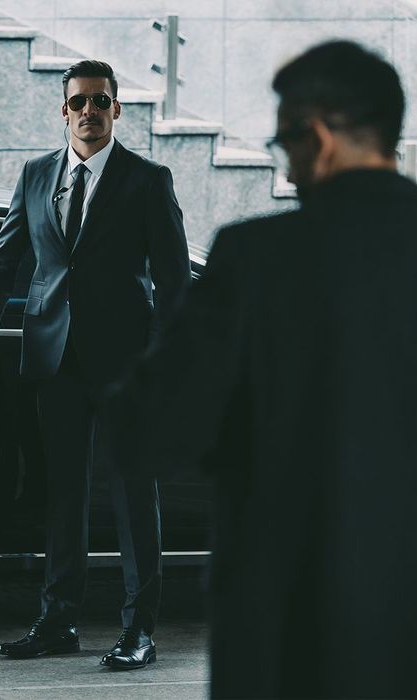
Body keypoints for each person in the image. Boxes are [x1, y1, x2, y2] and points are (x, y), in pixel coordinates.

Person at [106, 40, 417, 697]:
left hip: (286, 640)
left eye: (285, 145)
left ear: (320, 136)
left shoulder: (255, 260)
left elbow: (145, 432)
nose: (289, 172)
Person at [0, 59, 190, 668]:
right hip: (54, 361)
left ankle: (140, 631)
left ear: (117, 110)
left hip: (128, 366)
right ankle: (58, 622)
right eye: (79, 102)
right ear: (64, 110)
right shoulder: (35, 175)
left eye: (101, 101)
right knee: (63, 498)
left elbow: (175, 284)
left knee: (134, 497)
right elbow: (0, 264)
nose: (90, 112)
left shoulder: (148, 180)